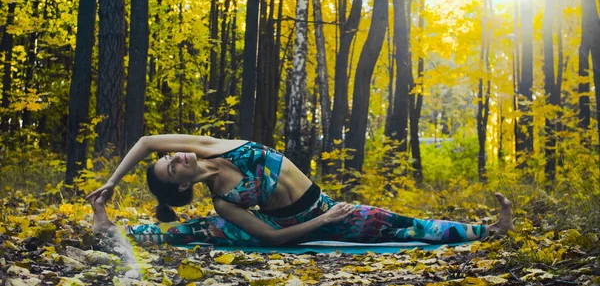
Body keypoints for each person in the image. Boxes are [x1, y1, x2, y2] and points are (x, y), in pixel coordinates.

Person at [87, 135, 515, 246]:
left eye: (171, 155)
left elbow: (144, 143)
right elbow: (272, 238)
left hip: (320, 203)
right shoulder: (222, 200)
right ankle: (106, 226)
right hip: (305, 223)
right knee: (195, 230)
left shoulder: (208, 147)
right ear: (180, 183)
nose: (177, 155)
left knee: (395, 223)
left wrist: (112, 180)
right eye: (171, 165)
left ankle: (489, 230)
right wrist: (325, 221)